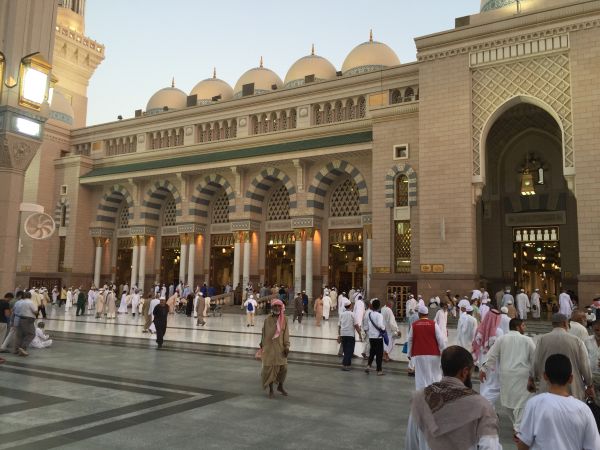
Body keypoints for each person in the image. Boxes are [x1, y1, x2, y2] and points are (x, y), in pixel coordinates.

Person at [406, 346, 502, 450]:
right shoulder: (482, 406)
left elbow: (411, 445)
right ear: (464, 372)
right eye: (471, 371)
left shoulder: (420, 400)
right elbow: (490, 446)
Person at [516, 354, 600, 450]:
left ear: (545, 376)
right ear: (571, 378)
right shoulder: (584, 409)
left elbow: (523, 442)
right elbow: (594, 446)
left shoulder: (534, 404)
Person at [480, 318, 535, 432]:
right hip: (522, 376)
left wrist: (483, 369)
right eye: (523, 326)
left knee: (508, 402)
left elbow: (491, 356)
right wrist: (534, 376)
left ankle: (517, 424)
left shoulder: (501, 339)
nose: (524, 328)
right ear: (517, 327)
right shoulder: (528, 340)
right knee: (520, 403)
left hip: (505, 375)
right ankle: (518, 426)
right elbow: (535, 360)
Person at [529, 313, 594, 401]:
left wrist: (531, 378)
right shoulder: (576, 341)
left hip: (549, 386)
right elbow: (585, 365)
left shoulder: (542, 340)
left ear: (553, 324)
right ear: (564, 323)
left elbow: (535, 361)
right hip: (572, 386)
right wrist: (589, 384)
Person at [407, 304, 446, 389]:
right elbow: (441, 340)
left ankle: (422, 394)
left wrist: (409, 354)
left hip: (419, 355)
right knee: (435, 374)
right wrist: (443, 352)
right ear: (427, 314)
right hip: (434, 354)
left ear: (419, 314)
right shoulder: (433, 324)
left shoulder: (414, 325)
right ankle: (436, 392)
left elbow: (410, 340)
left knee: (421, 376)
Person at [472, 306, 503, 409]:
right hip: (492, 362)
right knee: (494, 386)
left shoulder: (480, 329)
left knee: (484, 384)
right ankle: (485, 407)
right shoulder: (498, 332)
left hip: (482, 360)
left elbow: (476, 344)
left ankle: (489, 410)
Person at [260, 299, 290, 398]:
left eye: (278, 306)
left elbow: (286, 334)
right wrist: (261, 343)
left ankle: (280, 386)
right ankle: (271, 390)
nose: (277, 308)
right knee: (269, 370)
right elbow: (263, 332)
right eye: (275, 306)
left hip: (280, 348)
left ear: (281, 308)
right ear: (272, 307)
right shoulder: (267, 319)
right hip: (269, 348)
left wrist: (287, 346)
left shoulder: (284, 319)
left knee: (283, 368)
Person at [363, 299, 386, 376]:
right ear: (379, 306)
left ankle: (368, 366)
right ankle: (379, 370)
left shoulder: (370, 314)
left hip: (371, 336)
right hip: (378, 337)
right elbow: (380, 325)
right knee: (379, 354)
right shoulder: (379, 315)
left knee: (372, 352)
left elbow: (367, 325)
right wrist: (383, 328)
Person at [13, 291, 37, 357]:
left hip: (19, 319)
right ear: (30, 296)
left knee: (19, 335)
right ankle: (23, 348)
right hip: (28, 319)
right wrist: (36, 314)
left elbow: (14, 311)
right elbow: (35, 311)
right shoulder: (30, 302)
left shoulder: (19, 302)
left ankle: (16, 350)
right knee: (31, 334)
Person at [338, 299, 360, 370]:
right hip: (350, 334)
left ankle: (348, 364)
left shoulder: (342, 314)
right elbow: (356, 325)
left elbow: (339, 326)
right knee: (349, 350)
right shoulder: (352, 314)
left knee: (345, 349)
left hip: (343, 334)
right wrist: (360, 334)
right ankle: (345, 365)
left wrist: (339, 335)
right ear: (350, 306)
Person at [584, 319, 600, 405]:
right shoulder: (586, 341)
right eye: (596, 330)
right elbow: (583, 358)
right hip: (590, 376)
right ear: (592, 329)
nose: (599, 332)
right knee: (591, 401)